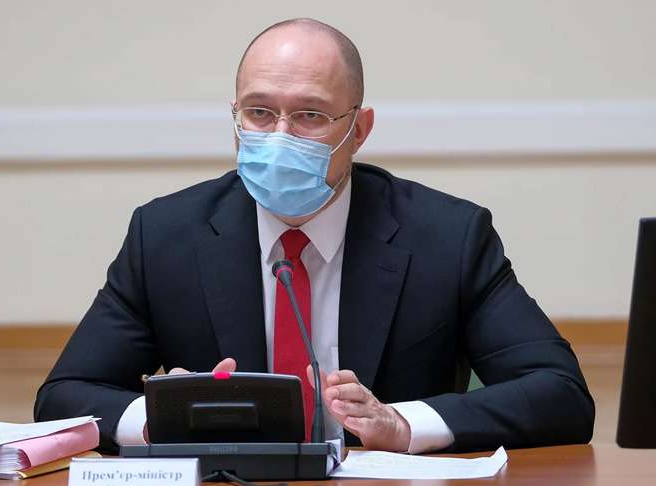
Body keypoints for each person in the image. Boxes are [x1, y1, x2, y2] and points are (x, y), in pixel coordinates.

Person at [35, 18, 594, 453]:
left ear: (359, 129)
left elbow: (560, 393)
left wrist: (402, 425)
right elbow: (63, 396)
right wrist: (157, 417)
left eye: (309, 116)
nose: (279, 136)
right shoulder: (165, 236)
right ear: (234, 116)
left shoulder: (447, 237)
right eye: (259, 112)